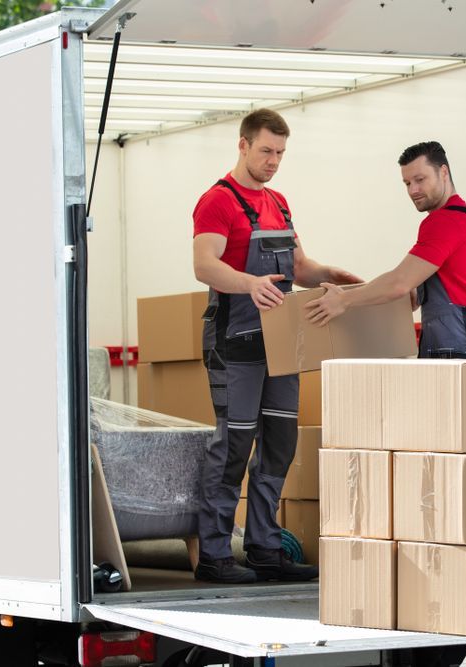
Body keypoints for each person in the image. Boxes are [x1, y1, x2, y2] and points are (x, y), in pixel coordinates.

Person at [192, 109, 360, 584]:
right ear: (243, 145)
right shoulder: (216, 202)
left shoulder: (280, 203)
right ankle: (216, 555)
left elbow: (299, 267)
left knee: (281, 444)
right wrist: (247, 283)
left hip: (282, 344)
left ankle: (264, 547)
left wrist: (328, 274)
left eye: (281, 153)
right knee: (234, 447)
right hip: (235, 343)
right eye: (266, 151)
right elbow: (204, 265)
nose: (273, 161)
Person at [305, 141, 466, 361]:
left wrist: (343, 300)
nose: (413, 190)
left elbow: (399, 282)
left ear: (444, 172)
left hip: (461, 350)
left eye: (420, 180)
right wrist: (416, 294)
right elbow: (452, 286)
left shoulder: (446, 221)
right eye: (407, 183)